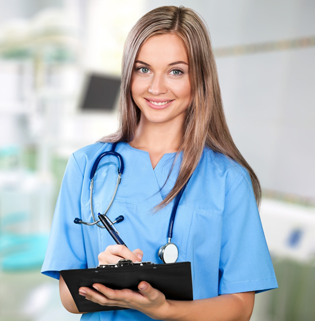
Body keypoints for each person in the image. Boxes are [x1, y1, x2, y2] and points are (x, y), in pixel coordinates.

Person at [41, 5, 278, 321]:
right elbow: (68, 298)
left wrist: (164, 309)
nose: (156, 87)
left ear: (200, 80)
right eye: (143, 69)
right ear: (129, 74)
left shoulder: (228, 179)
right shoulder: (86, 166)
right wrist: (101, 278)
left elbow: (240, 306)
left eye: (176, 71)